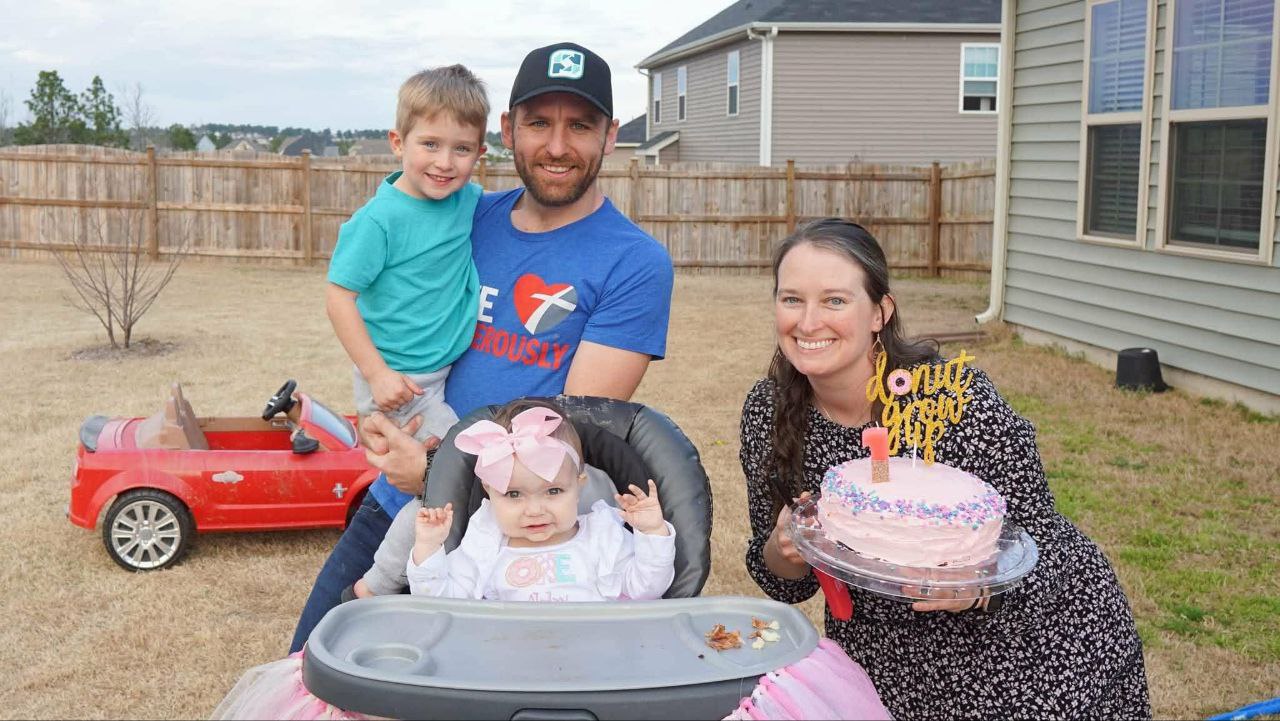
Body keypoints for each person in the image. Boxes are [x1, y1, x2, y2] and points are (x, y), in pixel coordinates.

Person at [290, 41, 674, 653]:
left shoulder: (634, 262)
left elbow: (565, 433)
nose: (556, 145)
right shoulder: (466, 213)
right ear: (507, 130)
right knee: (314, 669)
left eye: (579, 125)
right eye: (538, 123)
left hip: (505, 540)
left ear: (610, 134)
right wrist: (376, 397)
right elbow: (385, 295)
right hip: (396, 501)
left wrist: (436, 476)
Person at [740, 218, 1151, 719]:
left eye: (834, 300)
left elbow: (1042, 538)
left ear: (879, 312)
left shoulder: (955, 401)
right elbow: (785, 582)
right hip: (885, 660)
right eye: (791, 299)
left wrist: (977, 587)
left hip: (1028, 646)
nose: (807, 322)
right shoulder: (770, 410)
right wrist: (787, 547)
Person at [326, 64, 488, 448]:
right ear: (398, 143)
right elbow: (338, 297)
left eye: (461, 149)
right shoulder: (378, 221)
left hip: (444, 369)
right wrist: (377, 374)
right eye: (430, 144)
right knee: (461, 459)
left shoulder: (466, 199)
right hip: (401, 383)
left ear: (479, 153)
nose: (445, 162)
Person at [408, 399, 675, 601]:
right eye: (514, 495)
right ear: (489, 491)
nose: (535, 510)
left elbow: (648, 589)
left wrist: (652, 532)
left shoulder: (602, 536)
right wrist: (428, 549)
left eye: (554, 491)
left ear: (578, 486)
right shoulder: (484, 542)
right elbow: (441, 603)